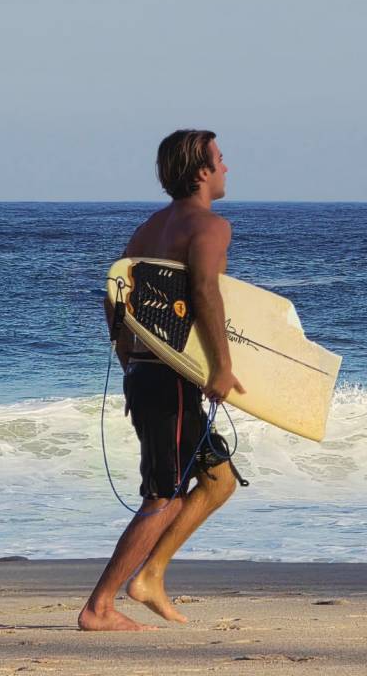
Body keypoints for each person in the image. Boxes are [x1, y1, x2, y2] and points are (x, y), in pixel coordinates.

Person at [78, 129, 246, 632]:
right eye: (220, 159)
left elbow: (115, 291)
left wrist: (126, 351)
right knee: (163, 494)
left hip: (151, 374)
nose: (226, 167)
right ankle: (100, 606)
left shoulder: (149, 228)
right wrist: (221, 364)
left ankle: (150, 576)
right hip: (171, 381)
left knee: (218, 481)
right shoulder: (211, 227)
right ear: (200, 171)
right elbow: (204, 292)